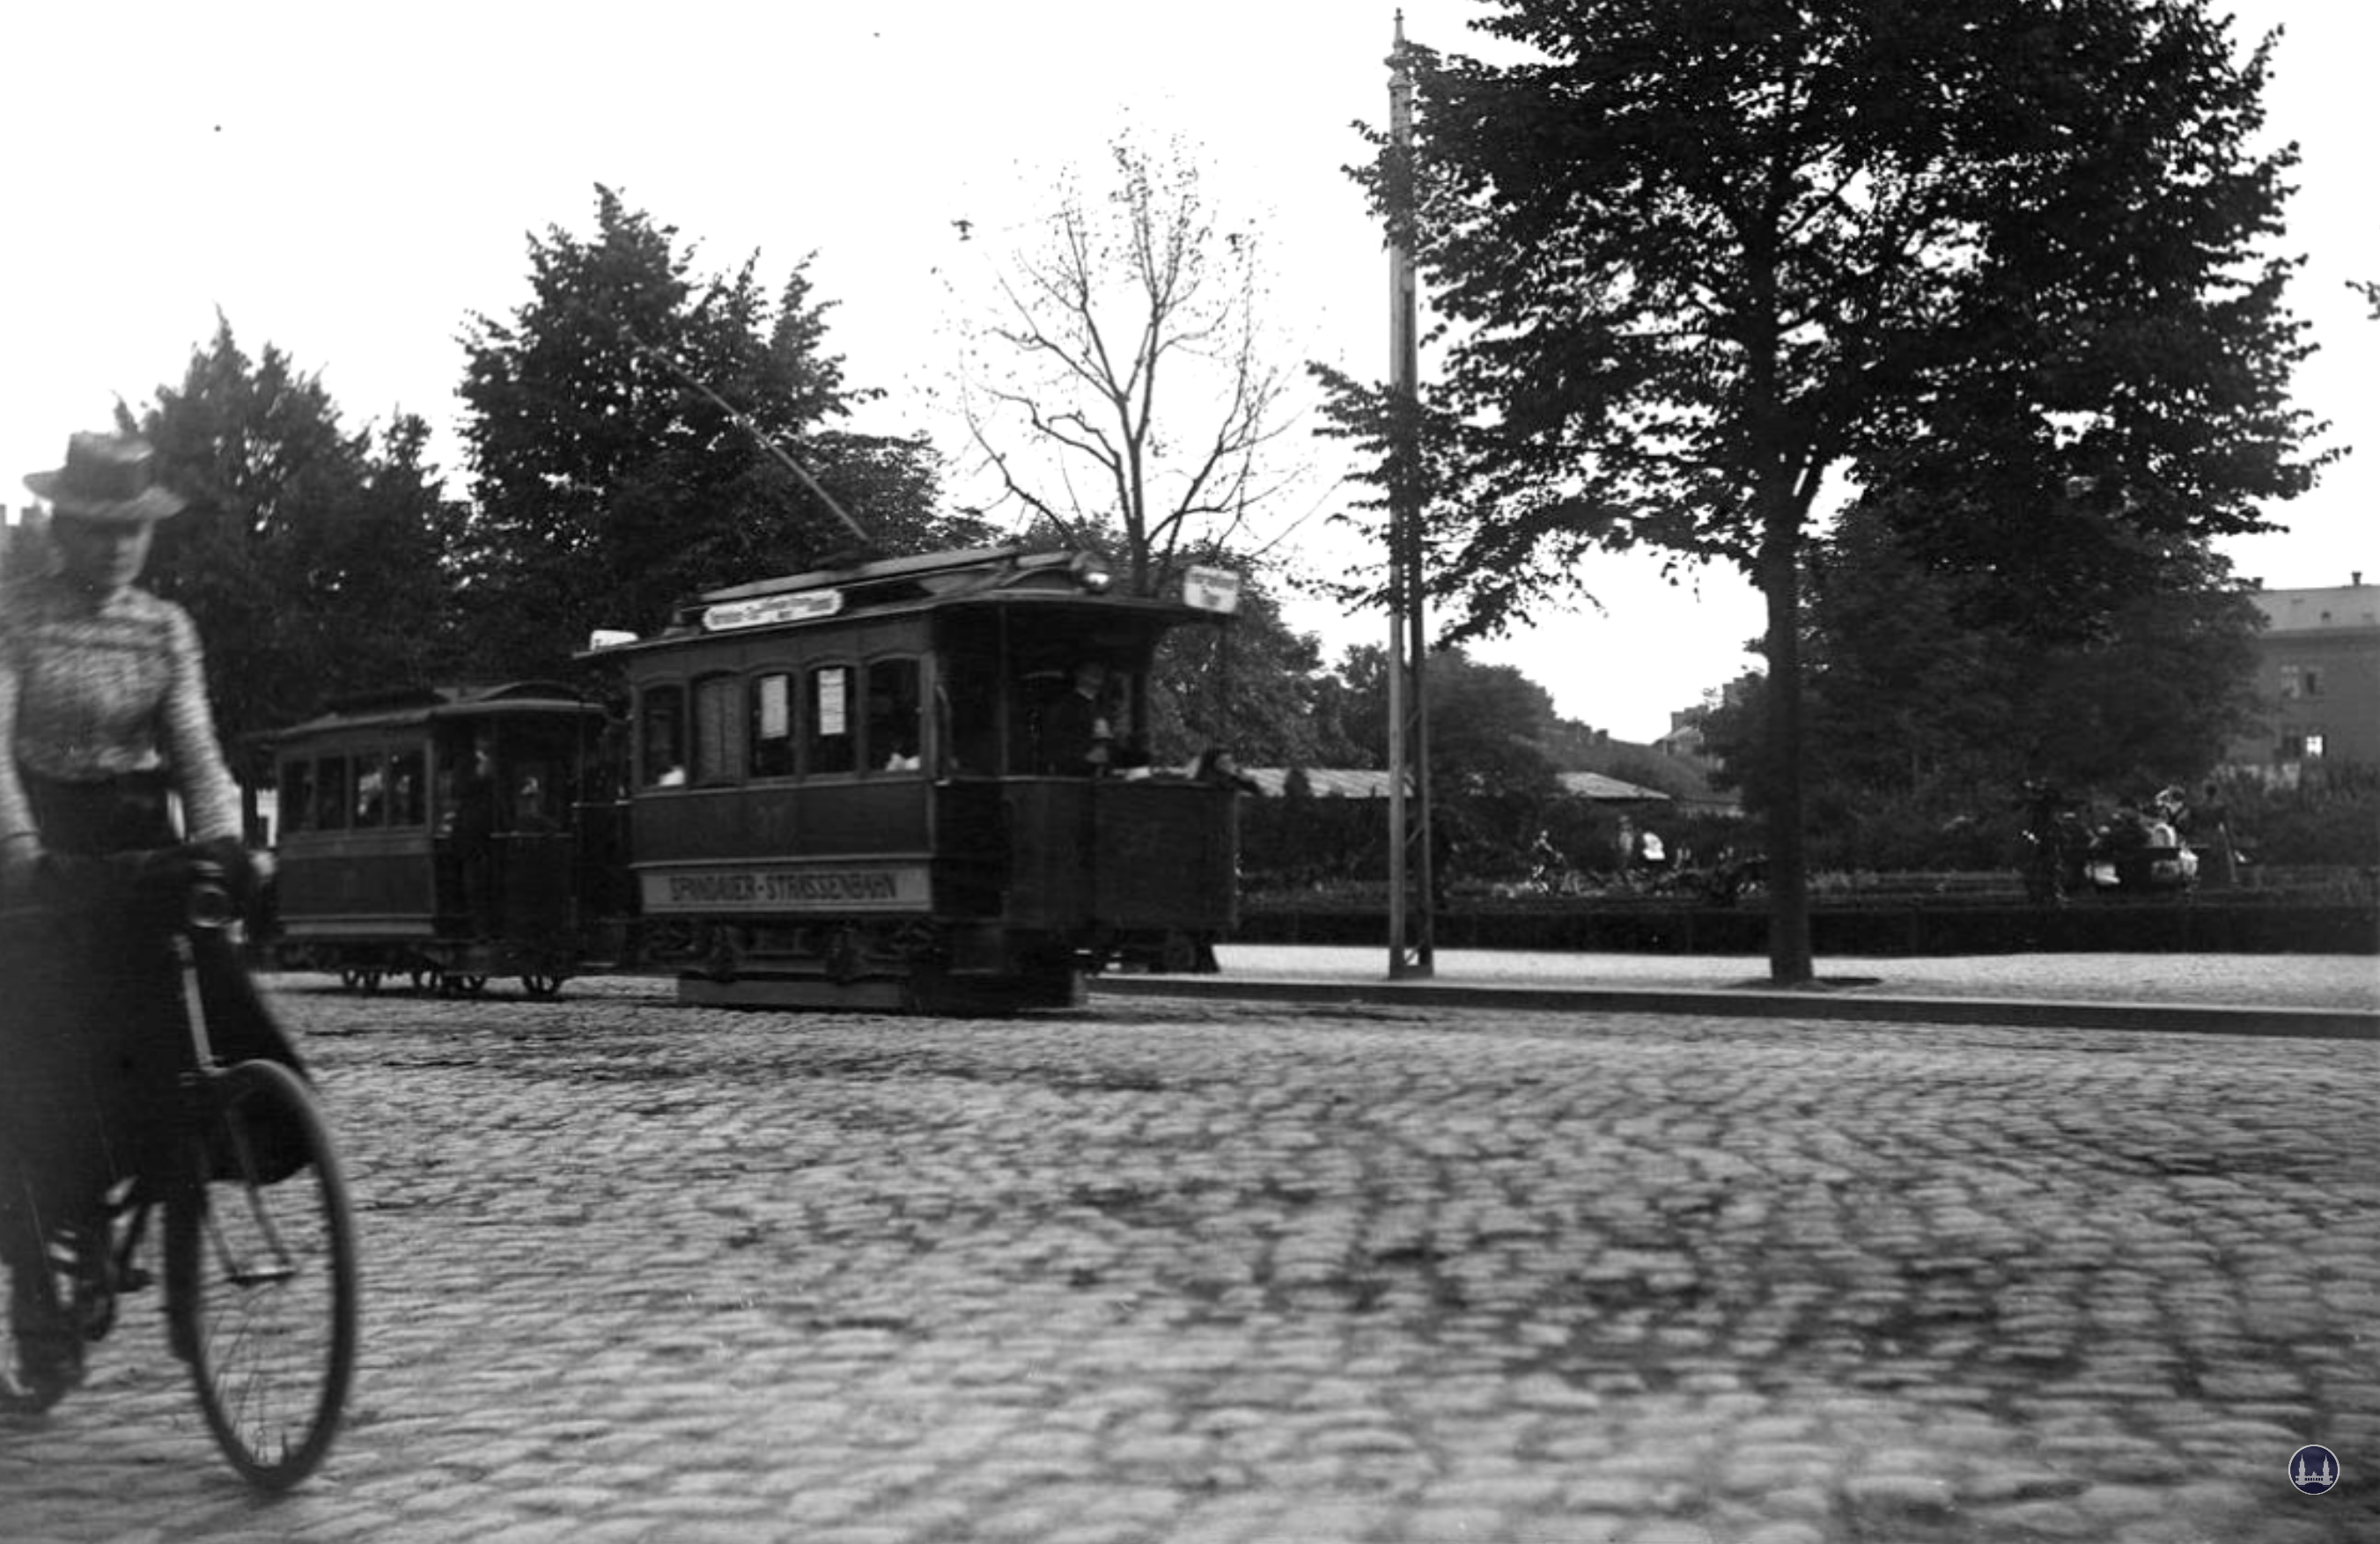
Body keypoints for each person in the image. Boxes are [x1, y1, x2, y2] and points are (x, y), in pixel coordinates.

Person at [0, 431, 253, 1404]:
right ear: (64, 526)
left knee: (200, 1028)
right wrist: (20, 856)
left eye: (130, 532)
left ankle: (201, 1163)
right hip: (40, 849)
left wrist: (225, 837)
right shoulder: (16, 619)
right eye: (97, 530)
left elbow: (194, 744)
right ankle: (35, 1290)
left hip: (140, 843)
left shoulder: (166, 629)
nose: (114, 550)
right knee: (34, 1073)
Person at [1037, 659, 1113, 775]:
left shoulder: (1103, 707)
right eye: (1091, 670)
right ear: (1078, 674)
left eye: (1100, 670)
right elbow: (1051, 745)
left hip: (1102, 777)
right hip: (1073, 779)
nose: (1098, 673)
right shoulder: (1063, 707)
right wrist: (1084, 757)